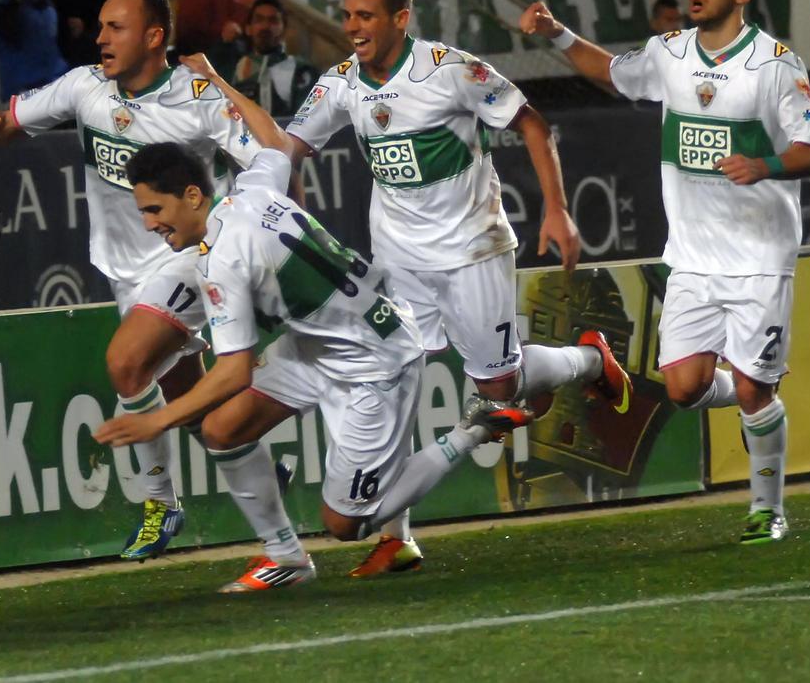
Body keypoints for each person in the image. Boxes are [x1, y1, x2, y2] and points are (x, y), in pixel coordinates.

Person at [282, 0, 633, 574]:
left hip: (472, 249)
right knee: (393, 383)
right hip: (398, 260)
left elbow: (531, 124)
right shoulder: (340, 82)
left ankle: (588, 359)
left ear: (399, 17)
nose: (353, 27)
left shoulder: (451, 71)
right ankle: (398, 537)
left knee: (497, 387)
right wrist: (289, 215)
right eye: (346, 15)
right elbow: (289, 147)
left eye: (365, 15)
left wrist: (558, 210)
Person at [94, 139, 536, 593]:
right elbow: (276, 149)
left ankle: (472, 430)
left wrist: (158, 420)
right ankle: (286, 557)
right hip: (318, 343)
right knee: (222, 430)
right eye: (143, 212)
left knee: (348, 523)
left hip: (373, 361)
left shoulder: (221, 258)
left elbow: (233, 372)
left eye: (154, 209)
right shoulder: (252, 191)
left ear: (191, 195)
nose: (148, 224)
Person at [0, 0, 286, 563]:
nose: (100, 37)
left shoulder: (198, 98)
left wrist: (242, 232)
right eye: (101, 26)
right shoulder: (85, 88)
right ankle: (256, 465)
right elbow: (12, 122)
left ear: (154, 37)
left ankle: (158, 503)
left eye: (116, 28)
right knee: (203, 413)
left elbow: (268, 158)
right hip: (124, 269)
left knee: (125, 363)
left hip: (189, 256)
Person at [520, 0, 810, 544]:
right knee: (684, 388)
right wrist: (556, 32)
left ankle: (767, 509)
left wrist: (764, 165)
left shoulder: (774, 64)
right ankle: (750, 385)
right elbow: (611, 71)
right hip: (691, 257)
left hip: (759, 258)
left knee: (750, 390)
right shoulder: (670, 52)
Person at [218, 0, 318, 117]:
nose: (266, 26)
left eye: (273, 21)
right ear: (248, 29)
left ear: (284, 29)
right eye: (259, 20)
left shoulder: (301, 70)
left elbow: (308, 120)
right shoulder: (235, 68)